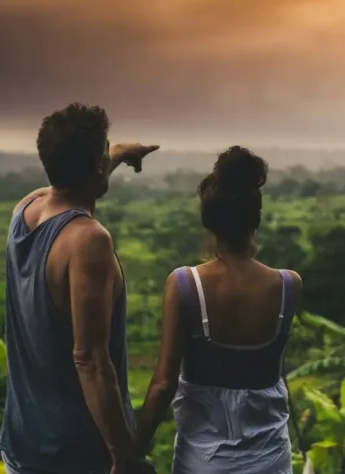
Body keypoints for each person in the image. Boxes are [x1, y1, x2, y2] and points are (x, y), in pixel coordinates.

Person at [0, 103, 159, 474]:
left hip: (24, 446)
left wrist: (115, 154)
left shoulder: (24, 210)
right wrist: (123, 456)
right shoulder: (88, 241)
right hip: (76, 455)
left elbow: (68, 183)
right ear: (97, 167)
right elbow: (90, 360)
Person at [133, 146, 303, 474]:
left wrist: (131, 454)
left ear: (208, 221)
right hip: (271, 460)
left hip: (201, 462)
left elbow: (163, 384)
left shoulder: (185, 285)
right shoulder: (288, 286)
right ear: (256, 217)